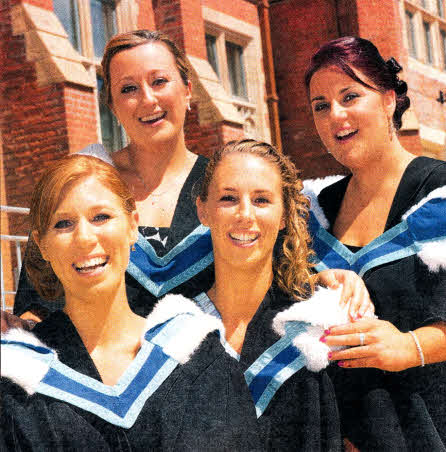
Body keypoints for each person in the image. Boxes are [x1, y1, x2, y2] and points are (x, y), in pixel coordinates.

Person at [13, 30, 371, 323]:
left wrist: (320, 281)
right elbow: (38, 302)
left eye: (159, 81)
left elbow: (274, 280)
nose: (147, 99)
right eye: (128, 88)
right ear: (112, 105)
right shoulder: (81, 190)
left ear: (187, 90)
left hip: (215, 382)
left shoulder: (226, 188)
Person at [1, 155, 262, 451]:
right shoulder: (17, 379)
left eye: (101, 217)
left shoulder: (197, 355)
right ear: (42, 244)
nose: (85, 238)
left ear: (132, 225)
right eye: (63, 224)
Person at [303, 36, 446, 450]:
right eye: (321, 105)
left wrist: (408, 346)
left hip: (427, 428)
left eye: (350, 96)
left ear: (388, 100)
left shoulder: (441, 192)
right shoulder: (316, 210)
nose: (336, 115)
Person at [195, 139, 355, 451]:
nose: (245, 215)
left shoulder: (320, 328)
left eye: (262, 200)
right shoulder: (176, 334)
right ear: (203, 210)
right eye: (228, 198)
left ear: (284, 214)